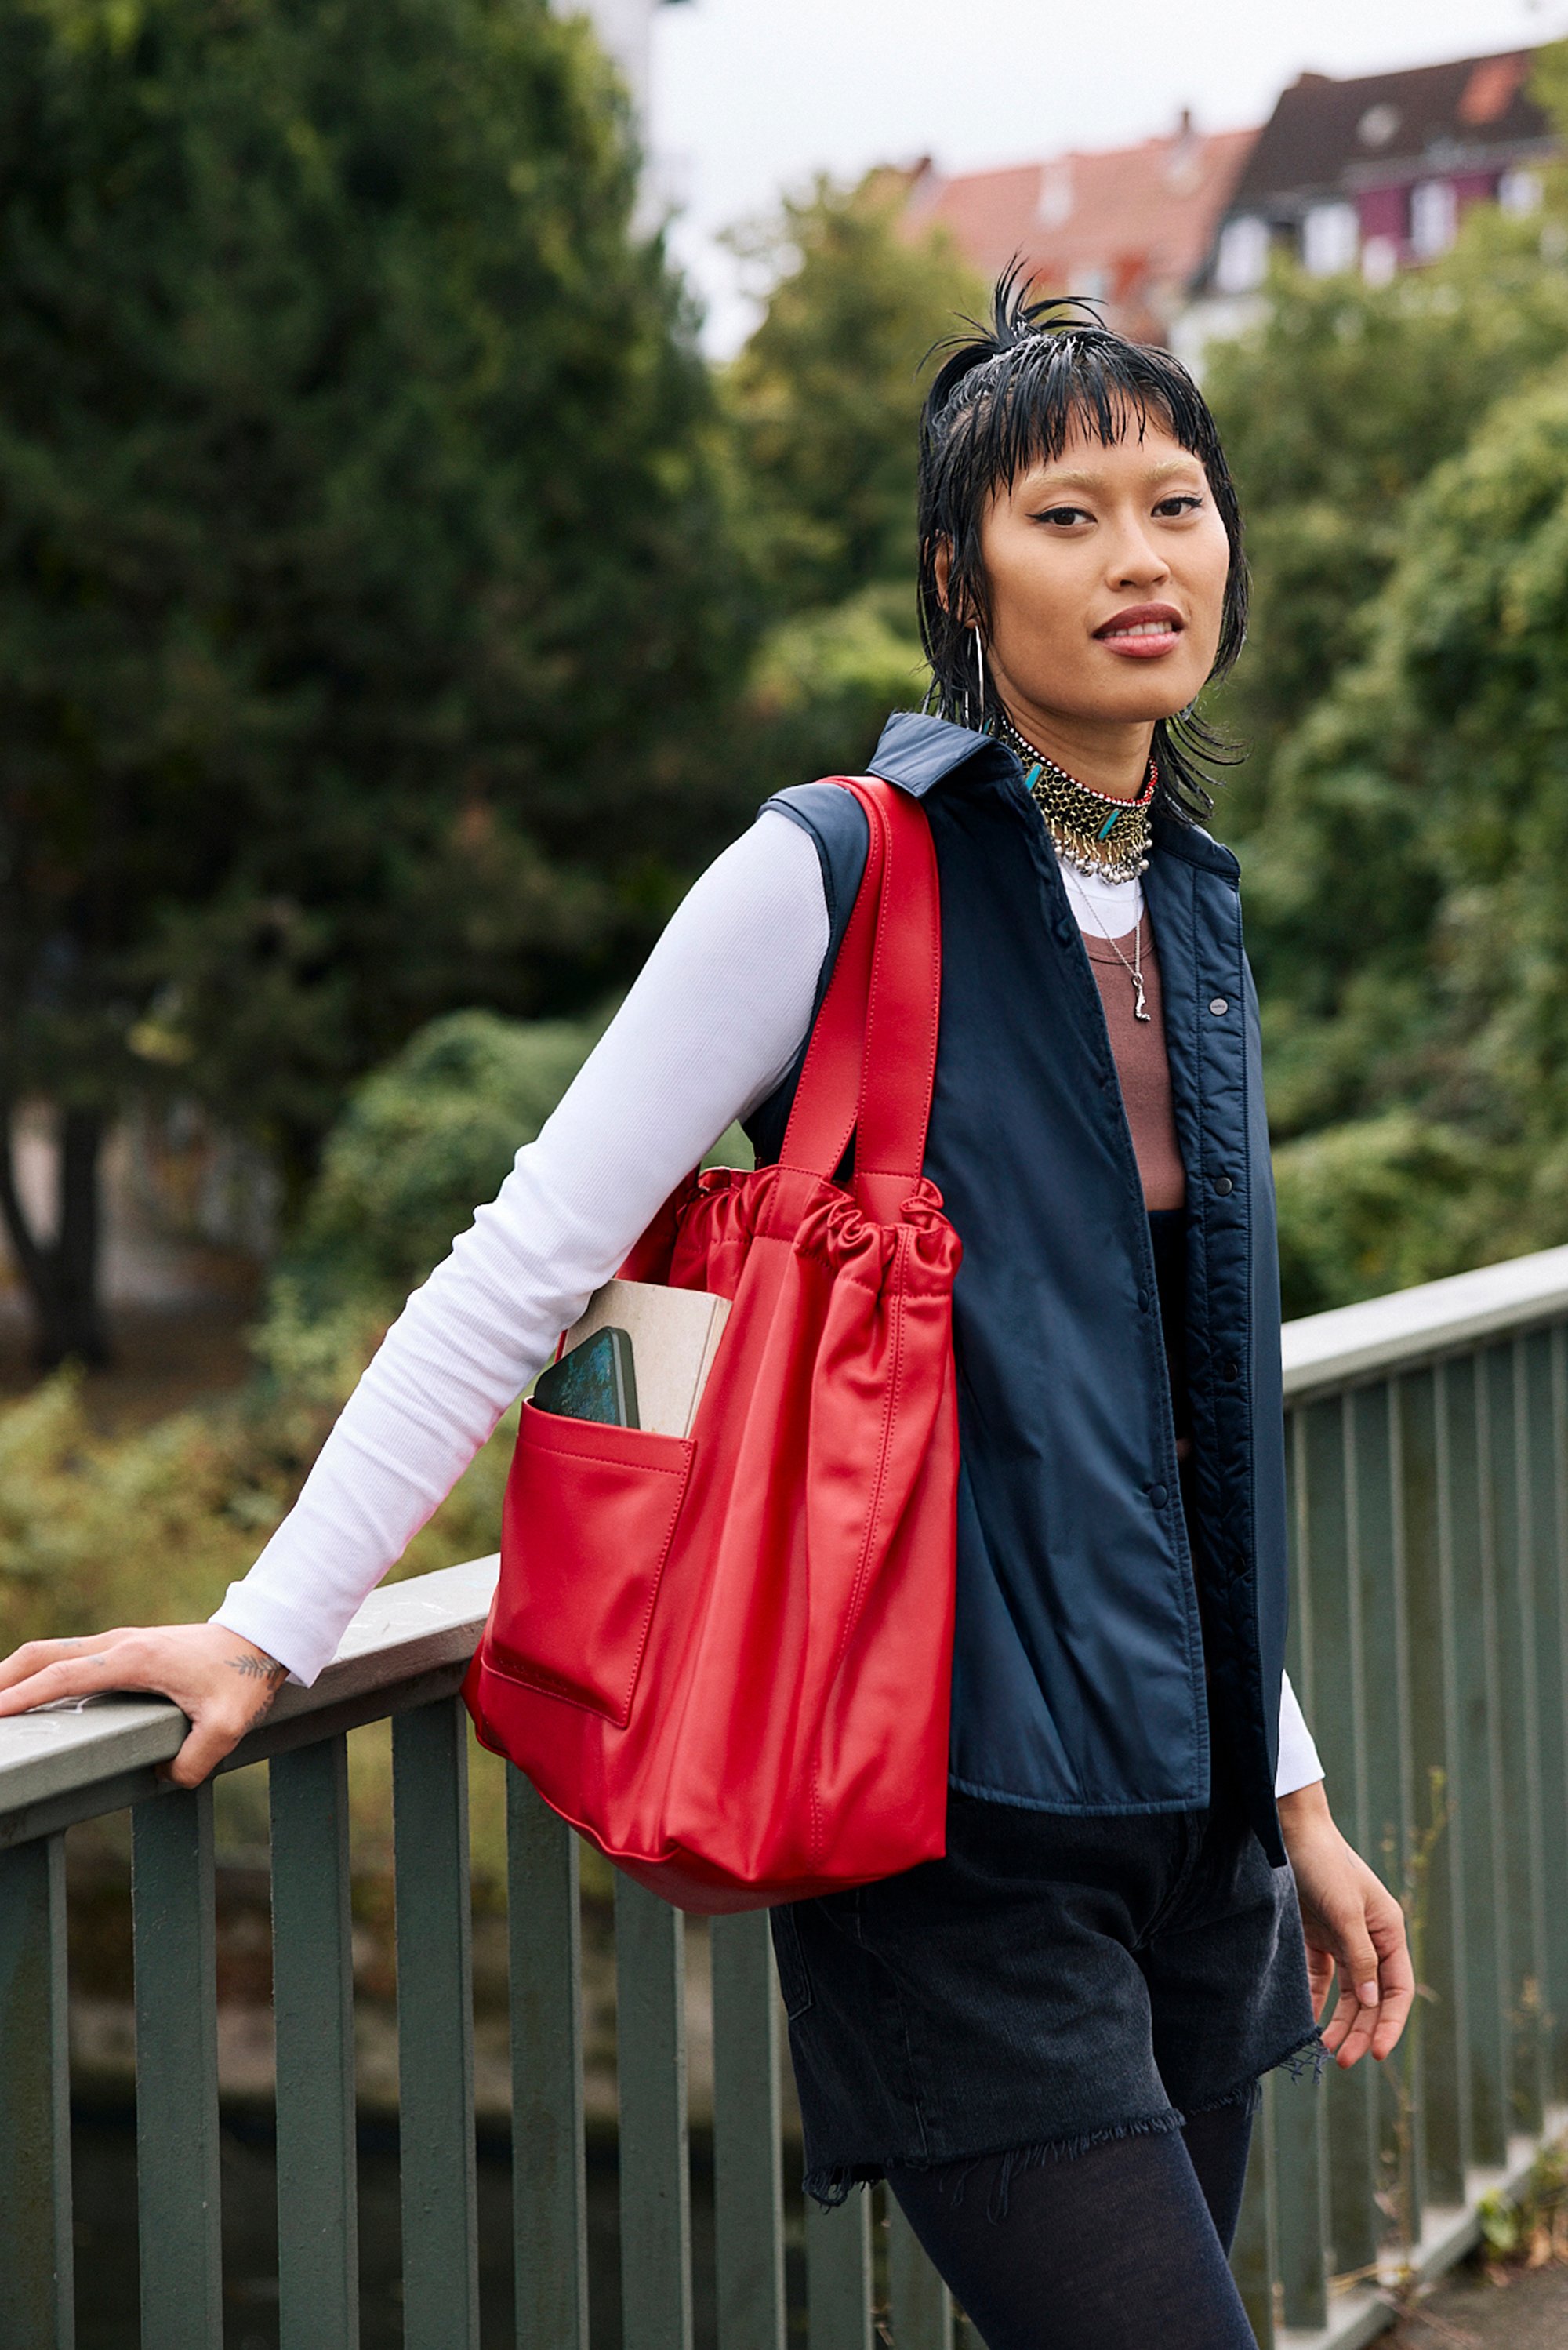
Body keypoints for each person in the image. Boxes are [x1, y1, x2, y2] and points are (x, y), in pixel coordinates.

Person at [0, 278, 1413, 2346]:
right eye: (1067, 517)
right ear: (960, 578)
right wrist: (268, 1622)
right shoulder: (833, 873)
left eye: (1177, 505)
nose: (1140, 560)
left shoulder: (1190, 906)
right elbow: (530, 1255)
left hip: (1190, 1847)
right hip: (949, 1832)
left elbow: (1184, 1405)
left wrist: (1288, 1802)